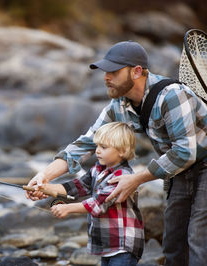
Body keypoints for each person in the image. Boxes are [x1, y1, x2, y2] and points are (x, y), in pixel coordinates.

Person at [26, 41, 207, 266]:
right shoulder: (119, 106)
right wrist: (45, 176)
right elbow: (85, 144)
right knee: (174, 244)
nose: (106, 77)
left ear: (137, 71)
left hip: (200, 162)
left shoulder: (172, 95)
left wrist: (136, 179)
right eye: (105, 71)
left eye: (113, 71)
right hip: (179, 170)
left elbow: (184, 151)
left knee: (198, 239)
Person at [43, 122, 143, 265]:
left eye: (103, 147)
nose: (97, 151)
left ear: (122, 151)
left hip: (123, 244)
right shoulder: (98, 169)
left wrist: (68, 208)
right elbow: (78, 186)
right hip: (106, 244)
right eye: (97, 146)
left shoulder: (122, 175)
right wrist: (47, 188)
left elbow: (99, 203)